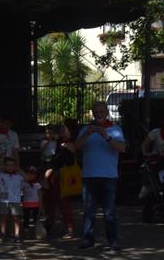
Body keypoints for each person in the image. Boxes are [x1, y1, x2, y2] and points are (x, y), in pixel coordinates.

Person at [74, 101, 126, 251]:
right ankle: (88, 240)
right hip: (89, 175)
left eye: (101, 112)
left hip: (109, 176)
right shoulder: (86, 129)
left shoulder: (116, 129)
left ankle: (113, 241)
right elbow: (75, 147)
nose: (99, 115)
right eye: (96, 112)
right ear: (93, 113)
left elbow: (122, 148)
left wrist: (107, 137)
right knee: (89, 210)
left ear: (107, 112)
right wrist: (87, 134)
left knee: (109, 211)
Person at [40, 124, 76, 238]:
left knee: (61, 202)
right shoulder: (56, 143)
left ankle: (68, 228)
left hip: (59, 175)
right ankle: (49, 226)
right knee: (50, 202)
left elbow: (68, 158)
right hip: (53, 174)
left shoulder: (65, 143)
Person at [0, 157, 27, 242]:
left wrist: (19, 170)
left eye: (12, 165)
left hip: (15, 199)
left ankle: (17, 234)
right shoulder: (1, 175)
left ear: (15, 166)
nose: (10, 167)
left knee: (16, 217)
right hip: (4, 199)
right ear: (4, 166)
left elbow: (26, 178)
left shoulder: (18, 176)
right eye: (7, 165)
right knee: (3, 216)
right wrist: (0, 169)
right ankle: (3, 233)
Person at [21, 166, 43, 235]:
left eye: (32, 174)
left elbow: (39, 195)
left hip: (35, 204)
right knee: (26, 217)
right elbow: (19, 192)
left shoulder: (37, 184)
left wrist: (40, 204)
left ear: (35, 175)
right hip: (26, 204)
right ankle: (26, 230)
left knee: (35, 218)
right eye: (28, 174)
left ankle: (37, 230)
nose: (30, 175)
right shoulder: (23, 183)